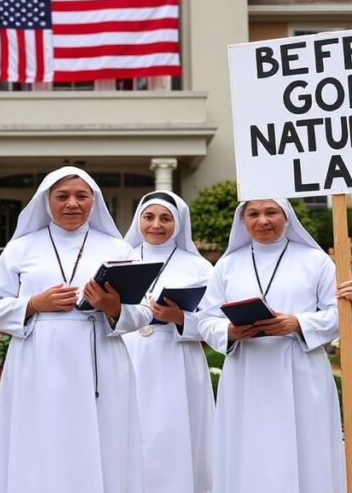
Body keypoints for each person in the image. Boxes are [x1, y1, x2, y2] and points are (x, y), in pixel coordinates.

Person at [0, 167, 148, 493]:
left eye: (81, 196)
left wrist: (112, 307)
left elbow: (144, 312)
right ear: (46, 201)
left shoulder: (118, 249)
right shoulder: (21, 248)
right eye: (62, 196)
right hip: (37, 363)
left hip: (101, 364)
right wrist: (33, 304)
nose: (72, 203)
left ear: (94, 201)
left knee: (103, 440)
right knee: (42, 440)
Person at [197, 198, 352, 493]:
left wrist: (298, 323)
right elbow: (205, 320)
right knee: (250, 451)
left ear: (287, 216)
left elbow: (348, 317)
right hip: (246, 373)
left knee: (307, 448)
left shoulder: (315, 260)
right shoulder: (227, 264)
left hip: (301, 370)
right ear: (242, 220)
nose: (262, 220)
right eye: (253, 213)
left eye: (271, 212)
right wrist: (229, 331)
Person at [121, 190, 214, 493]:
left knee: (173, 432)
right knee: (129, 431)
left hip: (177, 359)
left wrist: (181, 317)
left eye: (165, 218)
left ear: (179, 223)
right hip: (128, 353)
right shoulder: (121, 259)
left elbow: (214, 322)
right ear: (138, 220)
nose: (156, 225)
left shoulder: (199, 267)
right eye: (148, 217)